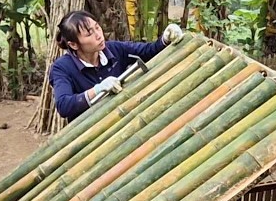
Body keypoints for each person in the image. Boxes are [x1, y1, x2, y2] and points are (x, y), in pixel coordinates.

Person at [49, 10, 184, 121]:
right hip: (88, 137)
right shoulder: (62, 68)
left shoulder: (114, 49)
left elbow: (148, 51)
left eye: (97, 27)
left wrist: (165, 39)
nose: (98, 35)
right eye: (90, 33)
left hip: (122, 124)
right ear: (73, 44)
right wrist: (97, 90)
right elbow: (64, 105)